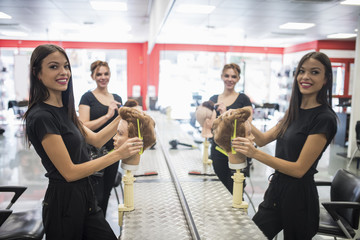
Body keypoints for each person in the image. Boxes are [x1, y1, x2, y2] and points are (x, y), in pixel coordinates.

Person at [24, 44, 143, 240]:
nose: (64, 72)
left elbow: (96, 140)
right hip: (64, 204)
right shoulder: (41, 117)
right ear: (37, 73)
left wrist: (124, 114)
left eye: (66, 66)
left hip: (85, 195)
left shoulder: (65, 110)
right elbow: (69, 172)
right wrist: (118, 154)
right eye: (54, 67)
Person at [231, 52, 338, 240]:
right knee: (253, 235)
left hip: (299, 198)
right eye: (302, 71)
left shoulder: (324, 119)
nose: (305, 77)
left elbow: (298, 170)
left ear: (326, 79)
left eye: (314, 72)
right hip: (277, 191)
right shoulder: (293, 112)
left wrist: (254, 153)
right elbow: (264, 139)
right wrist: (243, 119)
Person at [78, 60, 122, 216]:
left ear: (110, 75)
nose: (103, 77)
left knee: (107, 194)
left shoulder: (117, 98)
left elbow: (120, 126)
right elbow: (83, 127)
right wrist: (108, 115)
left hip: (113, 153)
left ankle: (100, 227)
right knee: (96, 196)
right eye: (99, 74)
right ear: (93, 76)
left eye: (106, 73)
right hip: (93, 154)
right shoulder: (87, 98)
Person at [209, 63, 252, 193]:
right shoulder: (213, 99)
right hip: (218, 151)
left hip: (237, 151)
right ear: (222, 76)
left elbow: (248, 126)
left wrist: (226, 112)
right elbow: (211, 128)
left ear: (238, 79)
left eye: (234, 76)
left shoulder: (243, 99)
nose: (230, 79)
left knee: (236, 191)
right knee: (219, 191)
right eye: (227, 75)